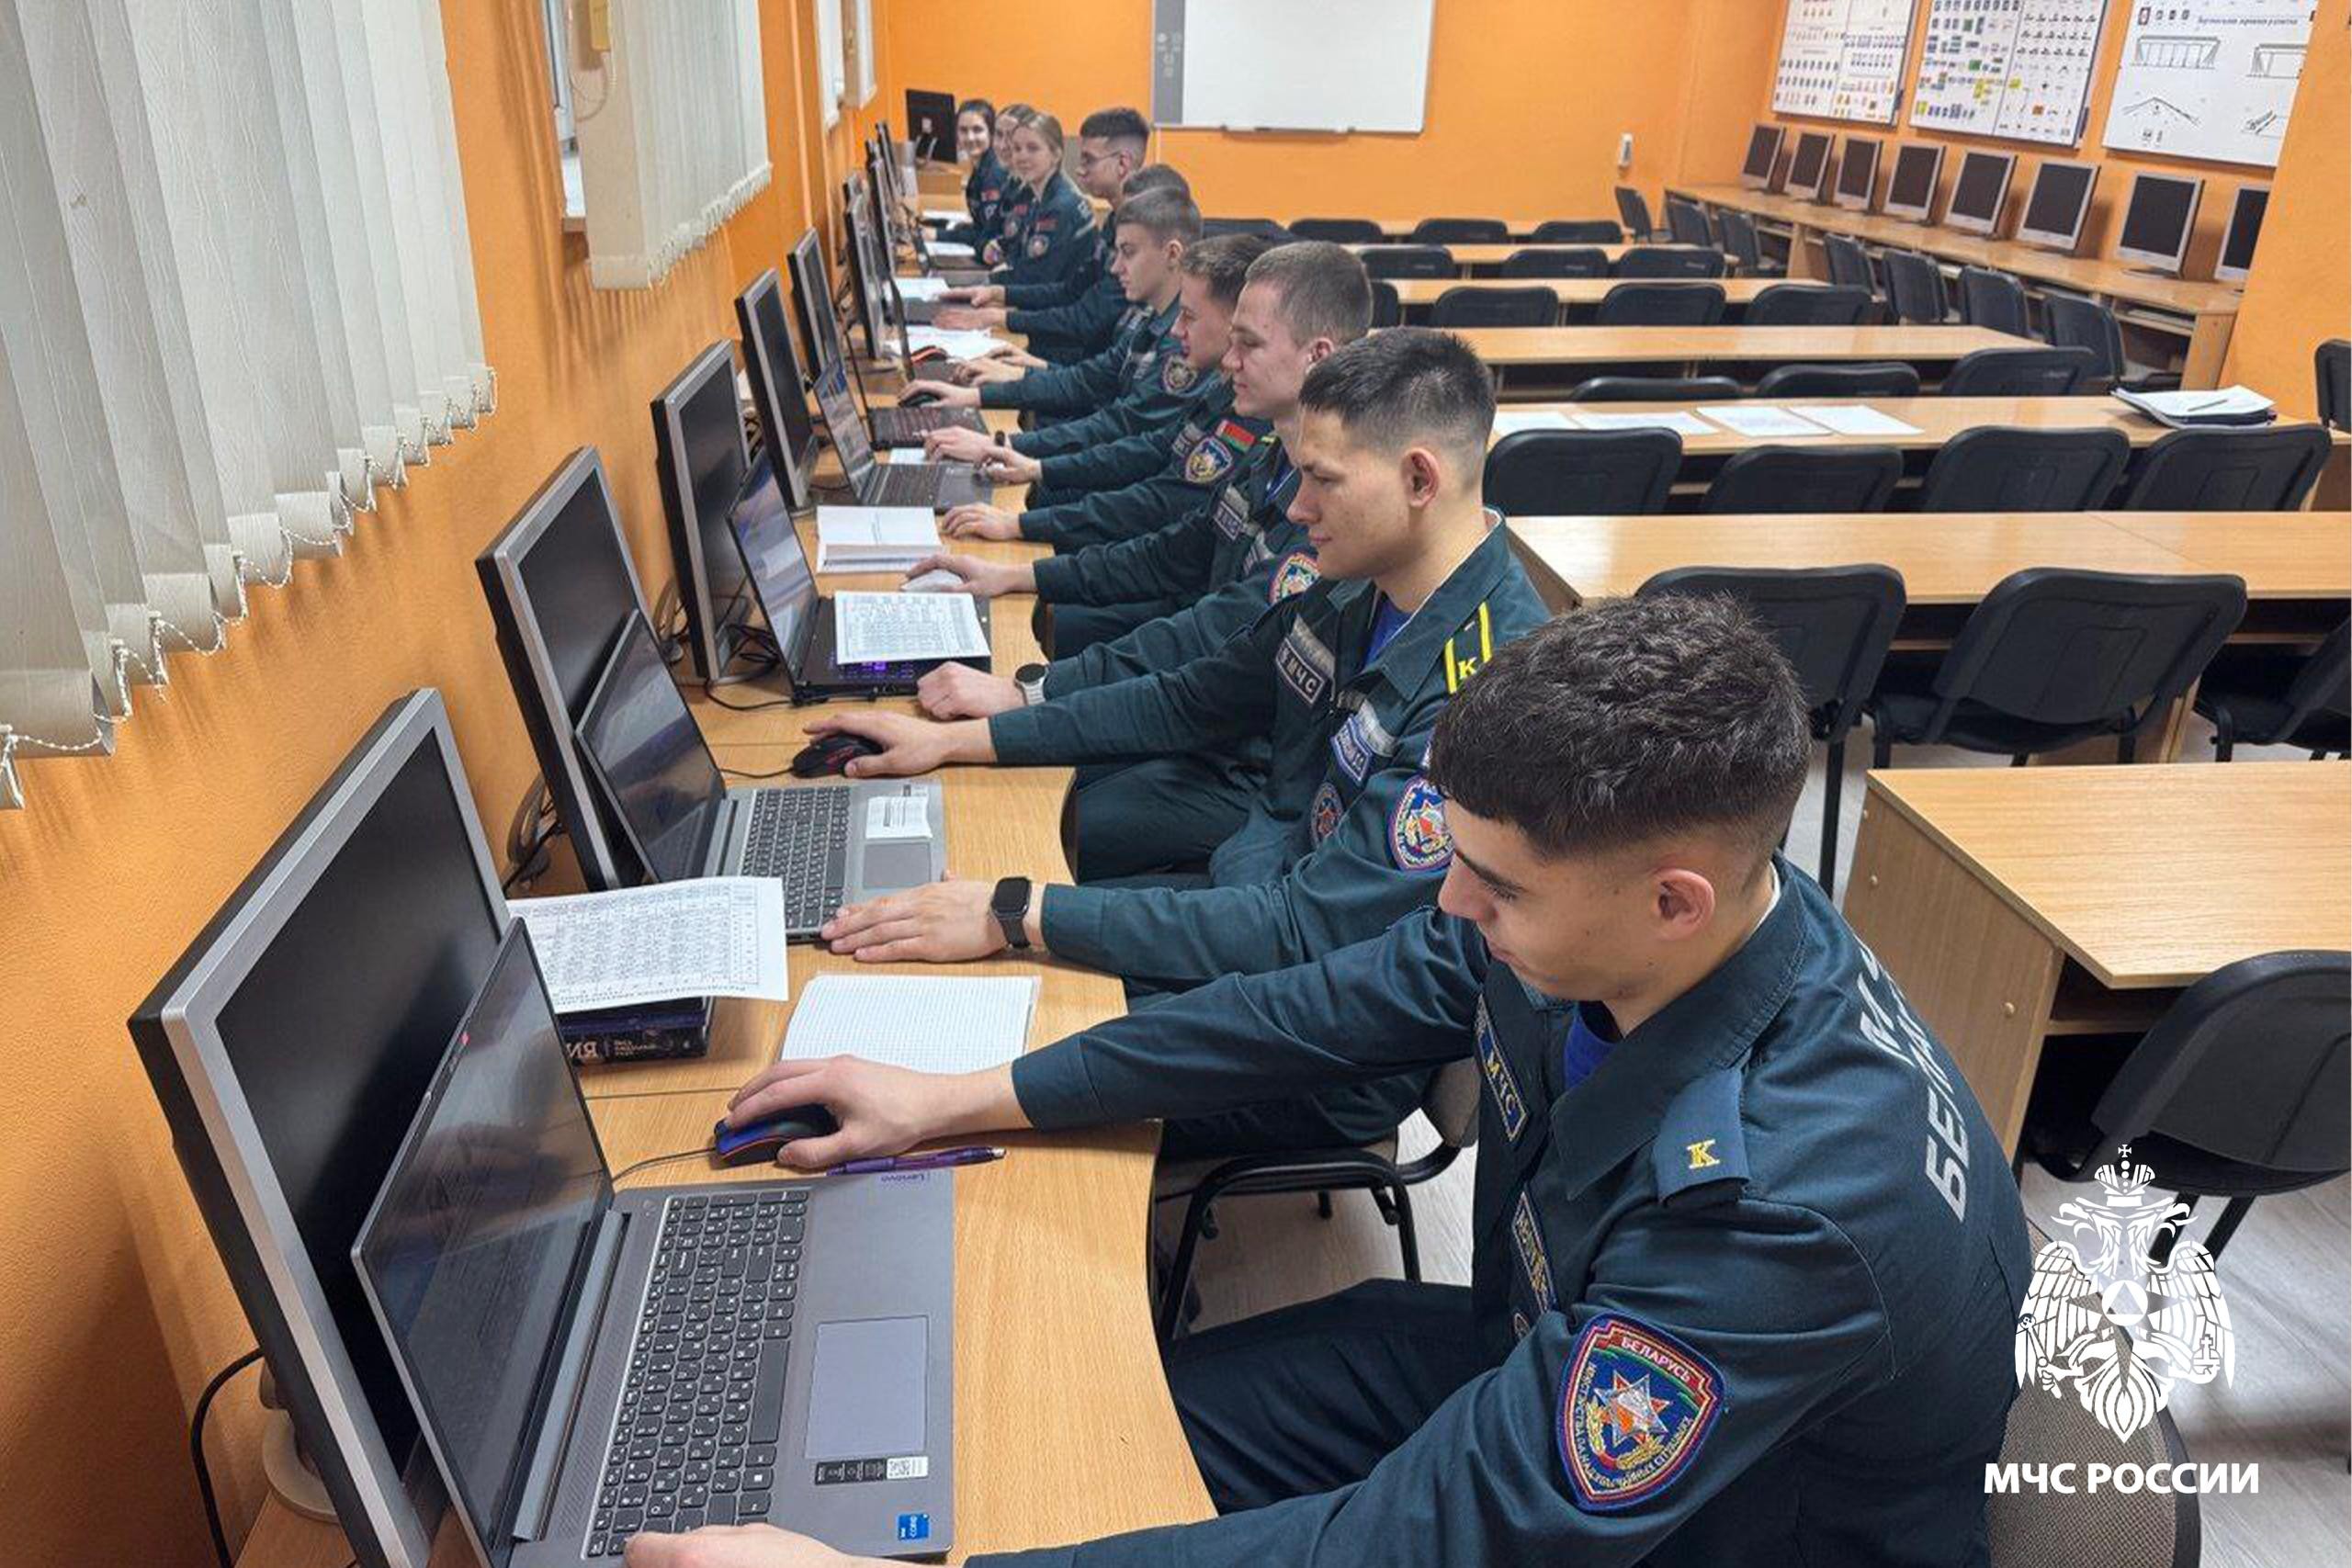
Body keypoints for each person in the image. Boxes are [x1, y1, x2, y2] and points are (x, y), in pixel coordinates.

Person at [634, 595, 2035, 1568]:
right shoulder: (1670, 916)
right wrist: (963, 1093)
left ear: (1673, 900)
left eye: (1496, 886)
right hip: (1524, 1345)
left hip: (1709, 1530)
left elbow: (1460, 1530)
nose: (1453, 902)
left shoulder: (1786, 1207)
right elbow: (1313, 1009)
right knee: (1061, 1436)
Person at [803, 332, 1550, 1110]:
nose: (1297, 507)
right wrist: (955, 740)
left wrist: (1019, 911)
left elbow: (1304, 934)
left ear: (1420, 479)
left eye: (1323, 480)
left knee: (980, 1037)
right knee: (957, 959)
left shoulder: (1489, 699)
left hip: (1315, 1038)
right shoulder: (1361, 584)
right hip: (1250, 913)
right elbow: (1190, 697)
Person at [916, 188, 1204, 512]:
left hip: (1115, 494)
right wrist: (977, 397)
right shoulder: (1151, 316)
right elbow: (1085, 380)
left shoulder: (1182, 342)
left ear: (1172, 254)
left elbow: (1117, 427)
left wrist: (1003, 445)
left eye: (1128, 253)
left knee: (968, 498)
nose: (1115, 267)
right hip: (1099, 474)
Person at [937, 107, 1158, 363]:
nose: (1079, 170)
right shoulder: (1114, 220)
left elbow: (1085, 318)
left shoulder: (1139, 233)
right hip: (1078, 349)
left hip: (1079, 355)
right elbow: (1070, 290)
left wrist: (1001, 316)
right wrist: (997, 293)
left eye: (1088, 160)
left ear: (1123, 164)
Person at [987, 112, 1094, 291]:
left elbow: (1039, 280)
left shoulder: (1060, 205)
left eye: (1033, 148)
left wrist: (989, 281)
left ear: (1056, 155)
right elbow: (1022, 258)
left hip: (1061, 304)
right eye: (1017, 149)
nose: (1022, 156)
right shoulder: (1036, 198)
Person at [937, 98, 1008, 251]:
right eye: (963, 130)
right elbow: (981, 225)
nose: (970, 137)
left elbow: (989, 236)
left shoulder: (993, 175)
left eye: (977, 130)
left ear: (991, 133)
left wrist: (938, 235)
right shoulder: (981, 166)